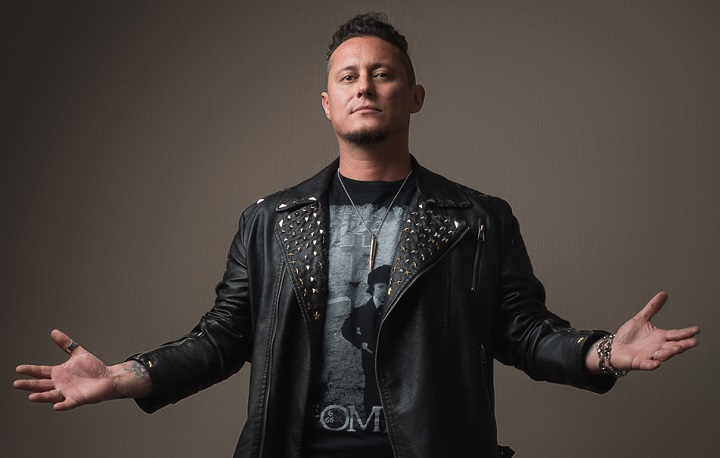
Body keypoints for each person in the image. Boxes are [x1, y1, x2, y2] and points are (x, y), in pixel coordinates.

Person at [14, 12, 700, 458]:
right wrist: (122, 377)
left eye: (383, 74)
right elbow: (223, 337)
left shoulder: (477, 219)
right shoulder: (271, 220)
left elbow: (521, 330)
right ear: (328, 102)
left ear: (414, 95)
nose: (364, 86)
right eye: (348, 76)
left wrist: (603, 353)